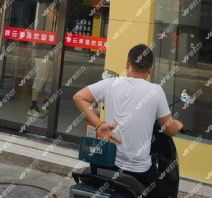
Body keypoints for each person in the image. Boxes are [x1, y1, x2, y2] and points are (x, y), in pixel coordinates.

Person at [73, 44, 183, 198]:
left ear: (127, 64)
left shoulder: (110, 84)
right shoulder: (156, 91)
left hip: (107, 165)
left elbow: (79, 97)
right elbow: (170, 130)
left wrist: (99, 125)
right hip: (139, 171)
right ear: (150, 69)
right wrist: (178, 124)